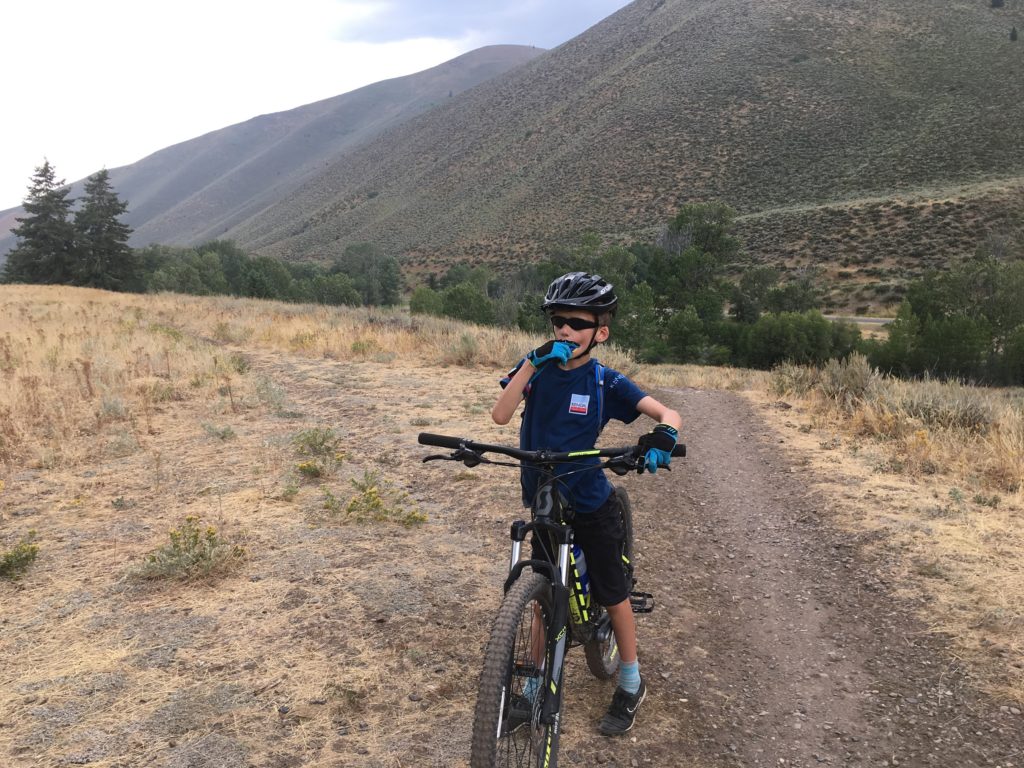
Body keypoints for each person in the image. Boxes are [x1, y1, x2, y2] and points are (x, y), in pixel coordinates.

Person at [492, 271, 682, 736]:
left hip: (590, 497)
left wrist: (664, 434)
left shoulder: (604, 381)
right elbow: (500, 415)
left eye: (577, 323)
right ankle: (536, 683)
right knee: (541, 594)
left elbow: (666, 412)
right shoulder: (534, 367)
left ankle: (631, 680)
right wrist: (533, 363)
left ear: (600, 332)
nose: (564, 331)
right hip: (543, 496)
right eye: (558, 321)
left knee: (612, 591)